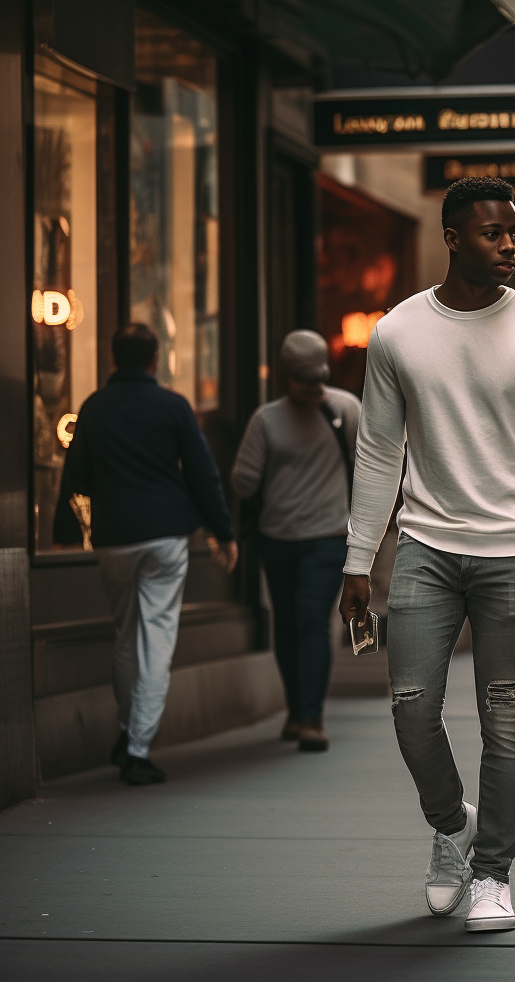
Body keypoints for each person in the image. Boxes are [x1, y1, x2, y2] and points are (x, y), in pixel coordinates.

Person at [338, 177, 515, 933]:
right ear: (452, 238)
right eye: (493, 233)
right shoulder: (398, 333)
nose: (510, 244)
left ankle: (493, 874)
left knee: (504, 719)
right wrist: (357, 560)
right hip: (426, 548)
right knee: (412, 710)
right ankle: (452, 826)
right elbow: (379, 451)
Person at [53, 324, 238, 785]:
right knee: (156, 637)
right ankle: (137, 748)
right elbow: (202, 474)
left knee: (125, 634)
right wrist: (223, 532)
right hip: (164, 536)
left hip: (115, 536)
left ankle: (126, 730)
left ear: (113, 360)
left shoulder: (94, 407)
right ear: (154, 359)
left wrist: (72, 522)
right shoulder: (172, 406)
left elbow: (75, 472)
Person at [232, 330, 361, 753]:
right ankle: (294, 710)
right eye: (304, 380)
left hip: (327, 536)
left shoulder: (344, 409)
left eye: (317, 378)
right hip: (276, 537)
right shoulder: (266, 419)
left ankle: (312, 717)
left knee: (310, 620)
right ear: (286, 376)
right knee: (285, 624)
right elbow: (243, 479)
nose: (313, 388)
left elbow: (373, 465)